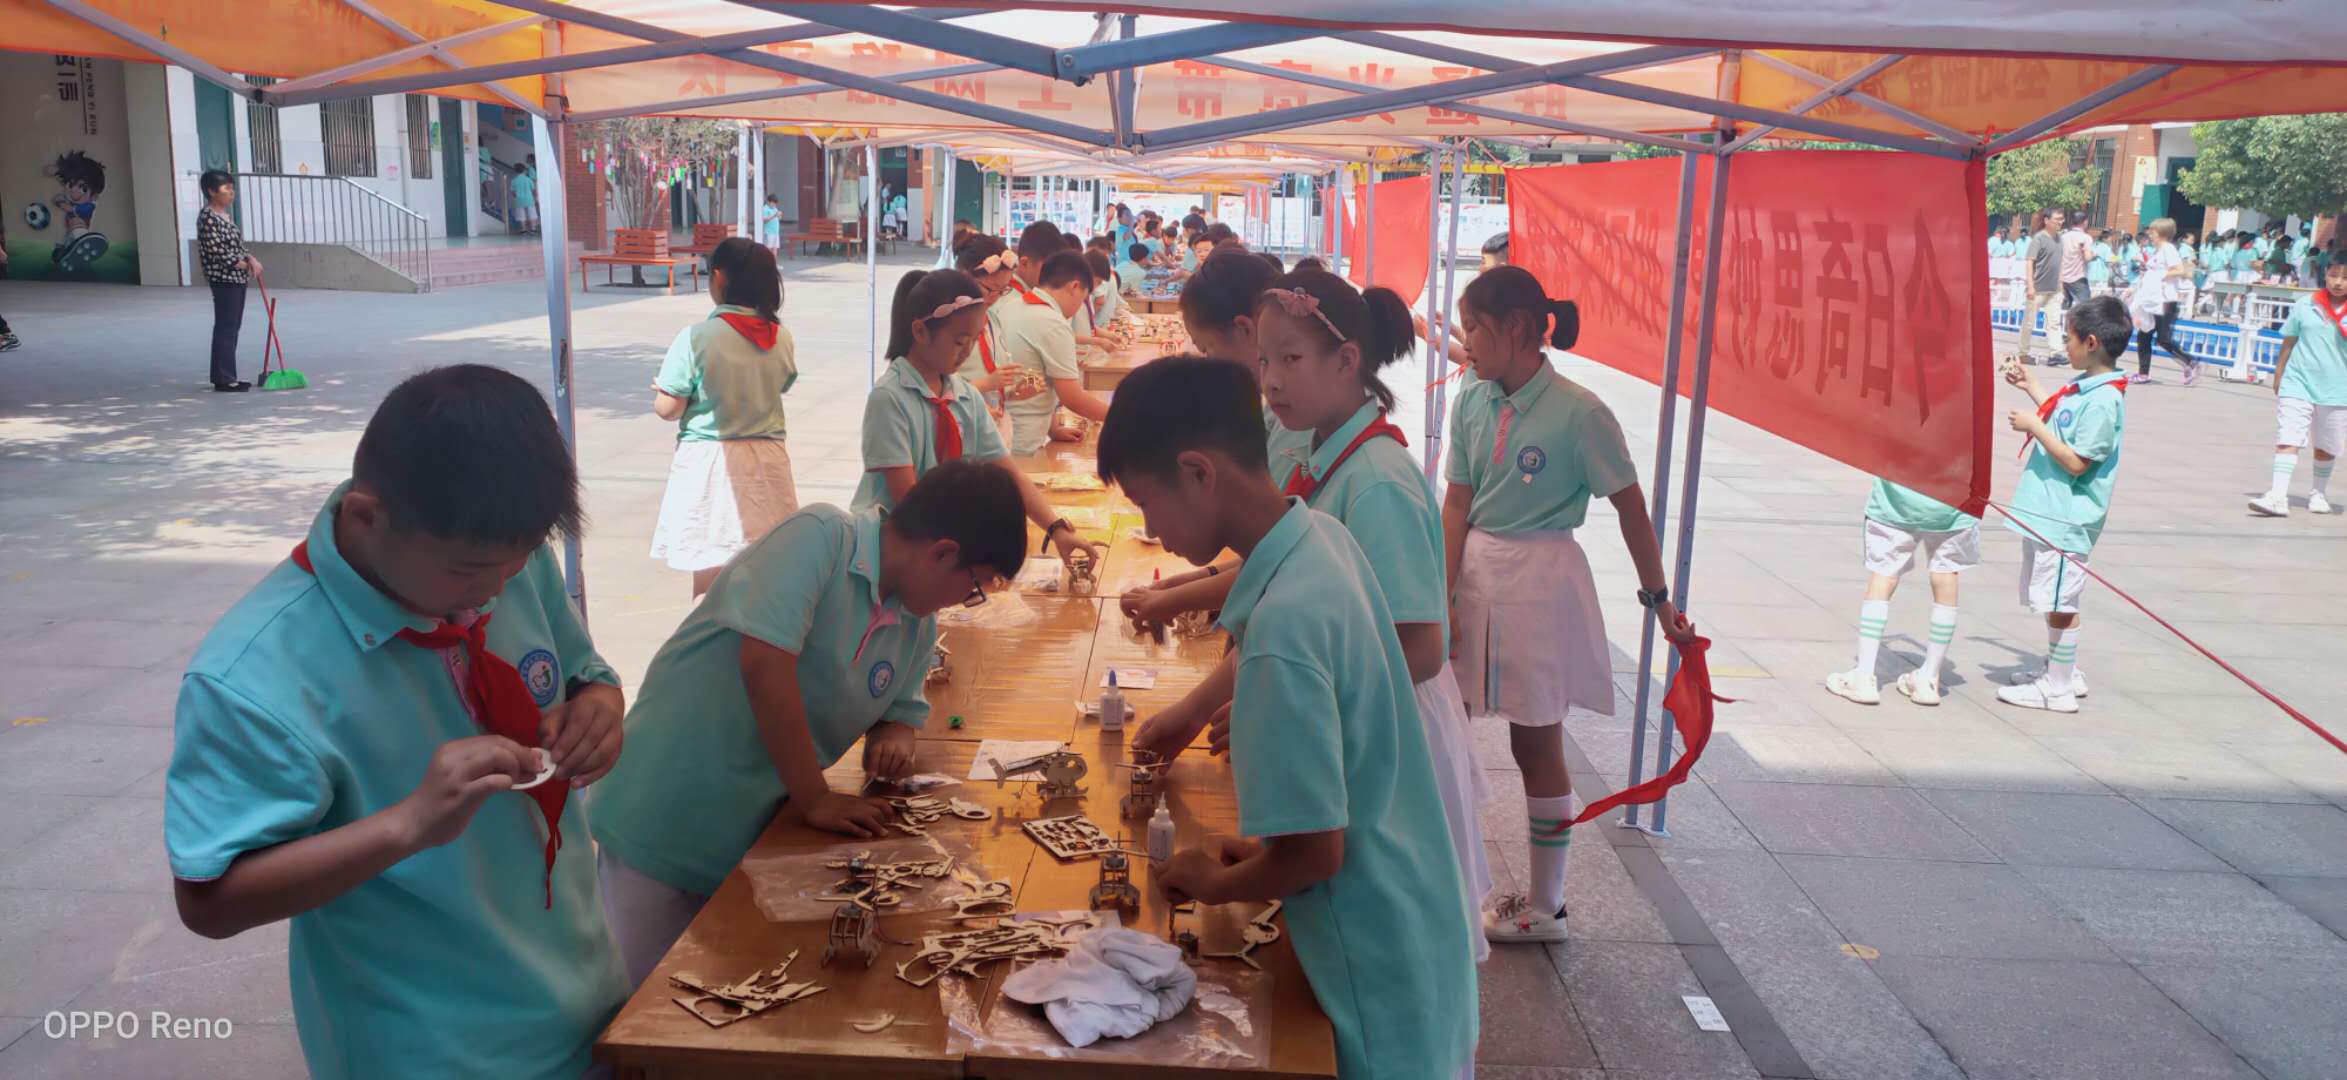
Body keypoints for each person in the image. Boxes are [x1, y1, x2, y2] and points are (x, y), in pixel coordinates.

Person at [166, 365, 628, 1077]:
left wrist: (600, 704)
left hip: (586, 993)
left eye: (520, 561)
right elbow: (210, 902)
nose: (493, 592)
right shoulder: (256, 678)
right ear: (365, 517)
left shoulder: (500, 556)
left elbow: (581, 672)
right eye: (468, 571)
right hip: (429, 1048)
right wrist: (407, 824)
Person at [1102, 356, 1478, 1080]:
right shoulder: (1320, 541)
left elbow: (1315, 857)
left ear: (1198, 471)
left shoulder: (1279, 636)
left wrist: (1209, 884)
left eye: (1147, 502)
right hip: (1418, 915)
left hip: (1374, 966)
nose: (1150, 526)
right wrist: (1265, 857)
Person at [1130, 267, 1495, 965]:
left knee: (1394, 921)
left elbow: (1421, 643)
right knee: (1351, 890)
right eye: (1264, 360)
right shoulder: (1327, 454)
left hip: (1391, 723)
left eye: (1291, 360)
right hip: (1362, 715)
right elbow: (1293, 596)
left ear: (1347, 362)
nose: (1269, 380)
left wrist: (1306, 695)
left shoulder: (1377, 479)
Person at [590, 461, 1028, 986]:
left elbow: (903, 705)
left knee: (729, 994)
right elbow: (764, 663)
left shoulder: (915, 620)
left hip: (759, 834)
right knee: (640, 1012)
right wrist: (814, 796)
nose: (967, 602)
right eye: (975, 586)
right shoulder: (820, 539)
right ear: (943, 552)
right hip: (667, 815)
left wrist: (894, 729)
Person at [1445, 266, 1694, 943]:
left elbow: (1629, 507)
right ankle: (1446, 881)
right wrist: (1436, 594)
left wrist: (1658, 599)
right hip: (1474, 573)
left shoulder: (1581, 412)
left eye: (1472, 328)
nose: (1463, 342)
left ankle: (1546, 905)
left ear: (1518, 330)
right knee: (1445, 725)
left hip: (1540, 581)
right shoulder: (1471, 396)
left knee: (1535, 740)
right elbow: (1457, 501)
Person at [1995, 297, 2132, 712]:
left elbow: (2075, 461)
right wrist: (2032, 386)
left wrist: (2034, 426)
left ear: (2090, 342)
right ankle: (2061, 671)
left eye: (2068, 338)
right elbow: (2063, 423)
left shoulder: (2104, 400)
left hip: (2066, 519)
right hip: (2049, 514)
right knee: (2054, 600)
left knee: (2060, 602)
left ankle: (2057, 689)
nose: (2064, 345)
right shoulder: (2085, 385)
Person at [649, 238, 799, 598]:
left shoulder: (696, 338)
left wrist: (664, 394)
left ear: (718, 278)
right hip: (769, 464)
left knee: (710, 577)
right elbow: (783, 382)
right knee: (763, 568)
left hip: (710, 465)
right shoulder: (781, 338)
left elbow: (668, 409)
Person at [1823, 478, 1981, 706]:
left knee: (1884, 575)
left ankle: (1864, 674)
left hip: (1895, 502)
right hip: (1953, 504)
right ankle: (1929, 677)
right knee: (1946, 575)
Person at [2249, 259, 2347, 518]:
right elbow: (2290, 340)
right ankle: (2277, 496)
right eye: (2334, 275)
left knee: (2326, 445)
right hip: (2299, 381)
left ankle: (2318, 492)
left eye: (2345, 278)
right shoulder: (2307, 305)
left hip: (2338, 388)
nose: (2338, 282)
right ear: (2326, 274)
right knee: (2288, 437)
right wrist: (2279, 372)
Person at [999, 250, 1113, 452]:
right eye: (1082, 299)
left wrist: (1053, 429)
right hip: (1024, 436)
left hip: (1008, 426)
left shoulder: (1013, 305)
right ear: (1074, 287)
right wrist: (1123, 416)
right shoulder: (1052, 323)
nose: (1079, 307)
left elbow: (1037, 375)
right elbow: (1072, 397)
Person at [951, 234, 1035, 446]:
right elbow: (936, 388)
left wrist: (1016, 391)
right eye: (989, 289)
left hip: (992, 433)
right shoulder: (948, 326)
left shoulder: (992, 319)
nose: (995, 297)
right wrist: (986, 383)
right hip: (960, 434)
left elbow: (993, 382)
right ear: (964, 276)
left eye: (1003, 290)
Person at [196, 169, 258, 392]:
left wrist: (250, 258)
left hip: (238, 279)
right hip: (224, 279)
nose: (232, 193)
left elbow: (237, 247)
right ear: (212, 191)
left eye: (233, 188)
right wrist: (244, 264)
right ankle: (223, 378)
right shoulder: (208, 217)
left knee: (233, 327)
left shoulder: (226, 217)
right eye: (227, 189)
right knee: (226, 327)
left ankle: (228, 374)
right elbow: (218, 253)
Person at [2129, 217, 2202, 385]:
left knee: (2163, 338)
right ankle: (2143, 373)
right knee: (2144, 335)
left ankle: (2191, 362)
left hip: (2165, 300)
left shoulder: (2168, 249)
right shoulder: (2158, 251)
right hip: (2153, 300)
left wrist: (2158, 276)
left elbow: (2179, 270)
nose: (2150, 235)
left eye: (2153, 232)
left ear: (2161, 233)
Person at [2022, 210, 2066, 366]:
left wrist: (2061, 286)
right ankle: (2023, 353)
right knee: (2029, 322)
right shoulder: (2039, 239)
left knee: (2054, 322)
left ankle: (2056, 353)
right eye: (2057, 219)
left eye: (2062, 219)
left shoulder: (2060, 239)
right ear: (2047, 220)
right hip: (2037, 289)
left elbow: (2059, 264)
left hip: (2054, 290)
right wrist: (2030, 286)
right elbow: (2029, 262)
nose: (2060, 222)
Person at [2059, 211, 2093, 314]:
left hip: (2062, 278)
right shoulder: (2085, 238)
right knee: (2086, 308)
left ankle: (2062, 327)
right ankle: (2080, 328)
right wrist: (2093, 255)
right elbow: (2087, 258)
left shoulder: (2063, 237)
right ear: (2085, 222)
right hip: (2078, 278)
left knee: (2064, 306)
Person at [510, 158, 538, 235]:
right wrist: (535, 197)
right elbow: (533, 190)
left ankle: (523, 230)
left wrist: (517, 196)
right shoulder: (528, 179)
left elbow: (512, 192)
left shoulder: (514, 180)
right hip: (529, 199)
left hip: (519, 200)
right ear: (524, 170)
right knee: (532, 214)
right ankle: (533, 229)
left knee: (521, 215)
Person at [2087, 230, 2114, 296]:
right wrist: (2117, 259)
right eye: (2110, 238)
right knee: (2099, 298)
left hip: (2090, 275)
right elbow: (2109, 261)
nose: (2111, 240)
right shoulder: (2106, 247)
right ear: (2106, 238)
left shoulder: (2093, 245)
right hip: (2100, 277)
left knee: (2091, 296)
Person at [758, 194, 783, 260]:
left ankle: (774, 264)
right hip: (769, 232)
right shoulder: (765, 209)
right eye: (773, 203)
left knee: (775, 248)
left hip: (775, 231)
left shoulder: (775, 208)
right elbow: (764, 220)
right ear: (768, 202)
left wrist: (779, 215)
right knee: (768, 249)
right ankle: (767, 264)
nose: (774, 205)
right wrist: (774, 215)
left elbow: (778, 218)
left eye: (775, 203)